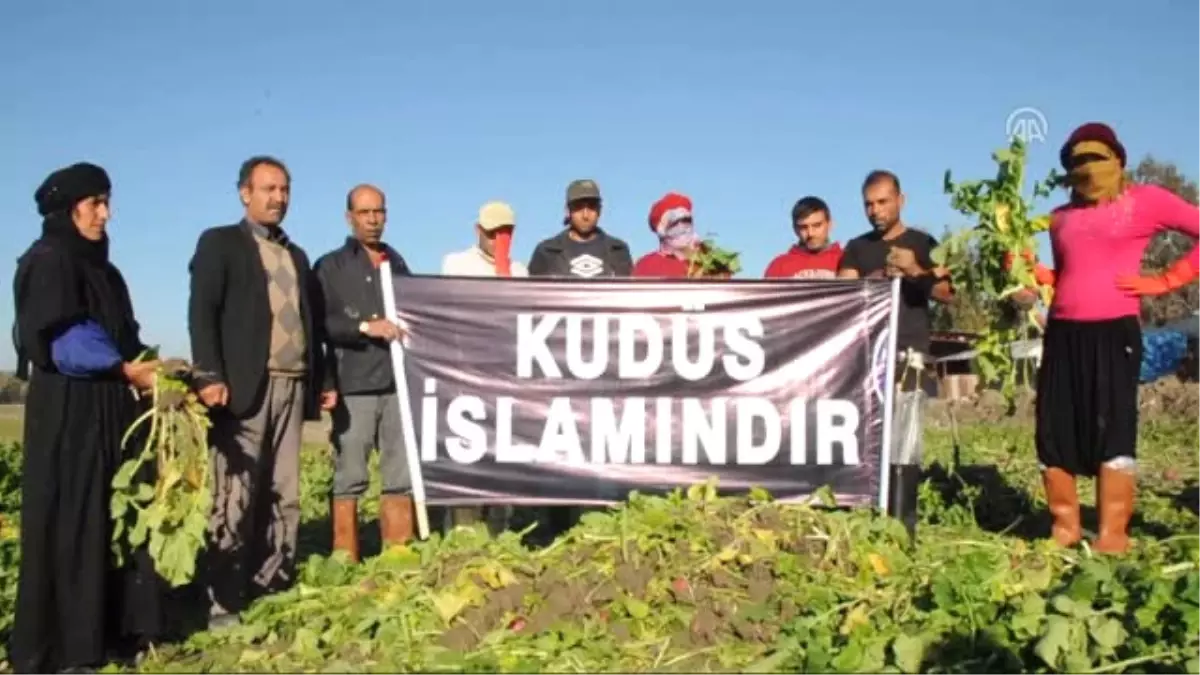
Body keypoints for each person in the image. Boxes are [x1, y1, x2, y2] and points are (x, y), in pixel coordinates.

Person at [1003, 122, 1200, 553]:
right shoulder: (1059, 218)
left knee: (1112, 425)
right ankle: (1065, 529)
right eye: (1078, 161)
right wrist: (1025, 271)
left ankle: (1113, 534)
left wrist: (1168, 279)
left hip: (1114, 332)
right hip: (1063, 333)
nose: (1089, 169)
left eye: (1098, 158)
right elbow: (1064, 275)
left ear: (1119, 161)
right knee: (1055, 428)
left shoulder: (1144, 201)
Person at [9, 162, 167, 671]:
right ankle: (65, 649)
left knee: (107, 521)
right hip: (68, 417)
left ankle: (108, 635)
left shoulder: (105, 270)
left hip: (109, 411)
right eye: (96, 202)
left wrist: (159, 368)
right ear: (67, 208)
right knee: (70, 524)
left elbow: (124, 337)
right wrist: (126, 369)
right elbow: (64, 342)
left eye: (107, 201)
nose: (107, 212)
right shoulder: (49, 260)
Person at [188, 155, 337, 625]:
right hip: (243, 389)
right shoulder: (220, 243)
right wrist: (208, 376)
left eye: (285, 189)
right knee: (236, 491)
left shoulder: (296, 256)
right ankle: (222, 597)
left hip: (292, 386)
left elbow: (313, 326)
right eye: (269, 188)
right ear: (244, 193)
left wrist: (324, 380)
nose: (278, 198)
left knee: (284, 490)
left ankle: (272, 580)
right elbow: (202, 313)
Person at [314, 184, 413, 563]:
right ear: (349, 217)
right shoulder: (330, 267)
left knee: (399, 470)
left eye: (379, 212)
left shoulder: (398, 263)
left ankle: (398, 556)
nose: (373, 220)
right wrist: (365, 327)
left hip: (396, 382)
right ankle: (345, 557)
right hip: (353, 383)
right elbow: (321, 324)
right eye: (365, 213)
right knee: (350, 470)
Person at [838, 170, 953, 389]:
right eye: (869, 204)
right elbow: (844, 297)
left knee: (914, 422)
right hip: (869, 358)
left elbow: (947, 294)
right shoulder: (856, 248)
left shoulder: (924, 243)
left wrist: (914, 270)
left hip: (913, 357)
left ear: (901, 200)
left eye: (883, 202)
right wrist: (875, 280)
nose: (875, 211)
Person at [527, 179, 633, 278]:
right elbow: (534, 294)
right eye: (578, 207)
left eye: (591, 207)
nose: (585, 215)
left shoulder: (618, 250)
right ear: (567, 211)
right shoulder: (547, 252)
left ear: (600, 210)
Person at [442, 201, 529, 277]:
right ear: (478, 230)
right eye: (492, 233)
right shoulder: (456, 264)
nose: (498, 241)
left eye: (505, 234)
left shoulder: (520, 271)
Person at [764, 196, 844, 278]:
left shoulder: (847, 261)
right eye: (803, 227)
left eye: (817, 225)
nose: (810, 233)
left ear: (830, 224)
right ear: (795, 229)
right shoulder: (778, 266)